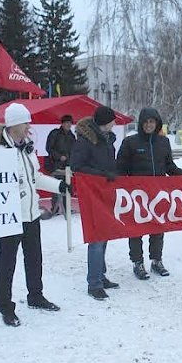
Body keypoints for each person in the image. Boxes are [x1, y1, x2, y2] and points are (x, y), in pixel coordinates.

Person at [0, 103, 69, 327]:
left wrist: (59, 186)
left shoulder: (27, 149)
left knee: (34, 258)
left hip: (31, 214)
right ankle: (5, 306)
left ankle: (35, 295)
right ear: (14, 124)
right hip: (10, 218)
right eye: (26, 123)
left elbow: (37, 178)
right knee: (7, 262)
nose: (28, 127)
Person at [117, 107, 182, 280]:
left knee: (158, 227)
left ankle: (156, 260)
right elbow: (120, 169)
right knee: (136, 229)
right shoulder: (130, 143)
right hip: (137, 196)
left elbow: (169, 167)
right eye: (146, 122)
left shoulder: (163, 142)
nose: (149, 125)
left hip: (158, 195)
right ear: (141, 124)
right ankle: (138, 262)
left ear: (157, 123)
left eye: (152, 121)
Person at [70, 106, 120, 300]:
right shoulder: (85, 141)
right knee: (96, 239)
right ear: (105, 122)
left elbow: (109, 164)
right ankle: (94, 283)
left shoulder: (107, 140)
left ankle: (101, 274)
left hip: (105, 192)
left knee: (104, 235)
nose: (114, 123)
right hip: (91, 193)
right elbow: (77, 166)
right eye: (112, 120)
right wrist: (102, 175)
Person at [45, 115, 76, 215]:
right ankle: (55, 208)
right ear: (62, 123)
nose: (68, 124)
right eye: (66, 122)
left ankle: (67, 208)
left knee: (68, 187)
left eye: (70, 123)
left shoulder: (72, 136)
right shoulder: (55, 134)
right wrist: (59, 156)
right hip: (56, 165)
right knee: (56, 187)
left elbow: (74, 150)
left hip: (68, 166)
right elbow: (49, 148)